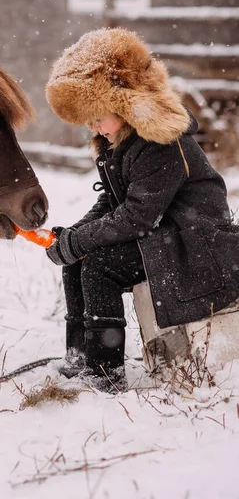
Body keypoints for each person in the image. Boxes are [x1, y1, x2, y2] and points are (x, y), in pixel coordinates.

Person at [45, 27, 239, 393]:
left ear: (123, 104)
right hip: (161, 234)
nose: (95, 128)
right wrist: (72, 237)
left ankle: (106, 373)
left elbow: (137, 216)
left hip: (193, 240)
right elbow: (111, 203)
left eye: (98, 115)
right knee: (78, 259)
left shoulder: (160, 144)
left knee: (100, 267)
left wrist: (82, 240)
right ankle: (80, 355)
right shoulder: (121, 144)